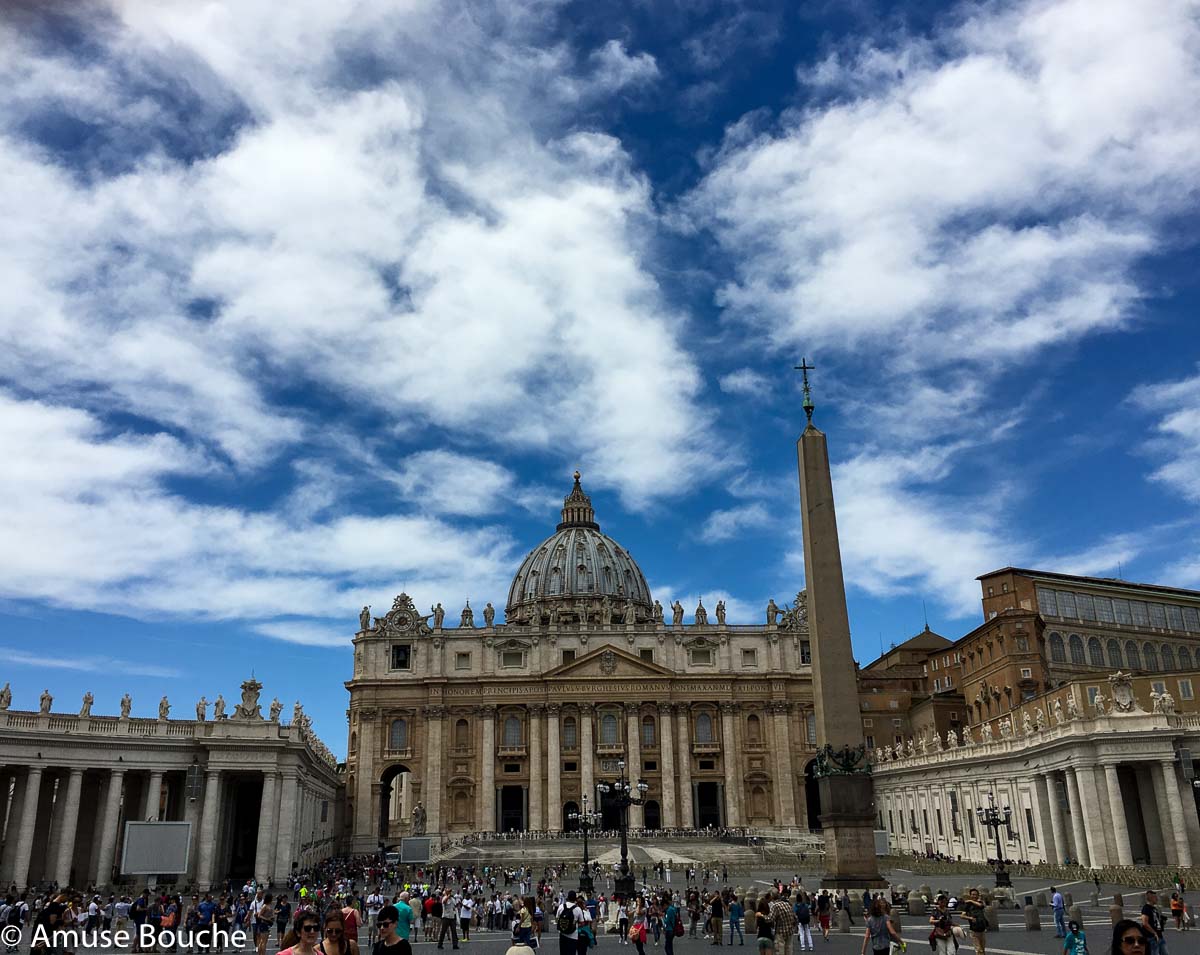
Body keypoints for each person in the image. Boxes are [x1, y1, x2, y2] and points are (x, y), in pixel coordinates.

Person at [960, 889, 986, 955]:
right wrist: (970, 918)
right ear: (970, 895)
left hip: (982, 929)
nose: (974, 896)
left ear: (978, 895)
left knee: (982, 949)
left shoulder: (980, 902)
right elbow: (962, 916)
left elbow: (981, 906)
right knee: (979, 950)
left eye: (975, 894)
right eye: (973, 894)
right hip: (974, 930)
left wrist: (971, 901)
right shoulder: (968, 905)